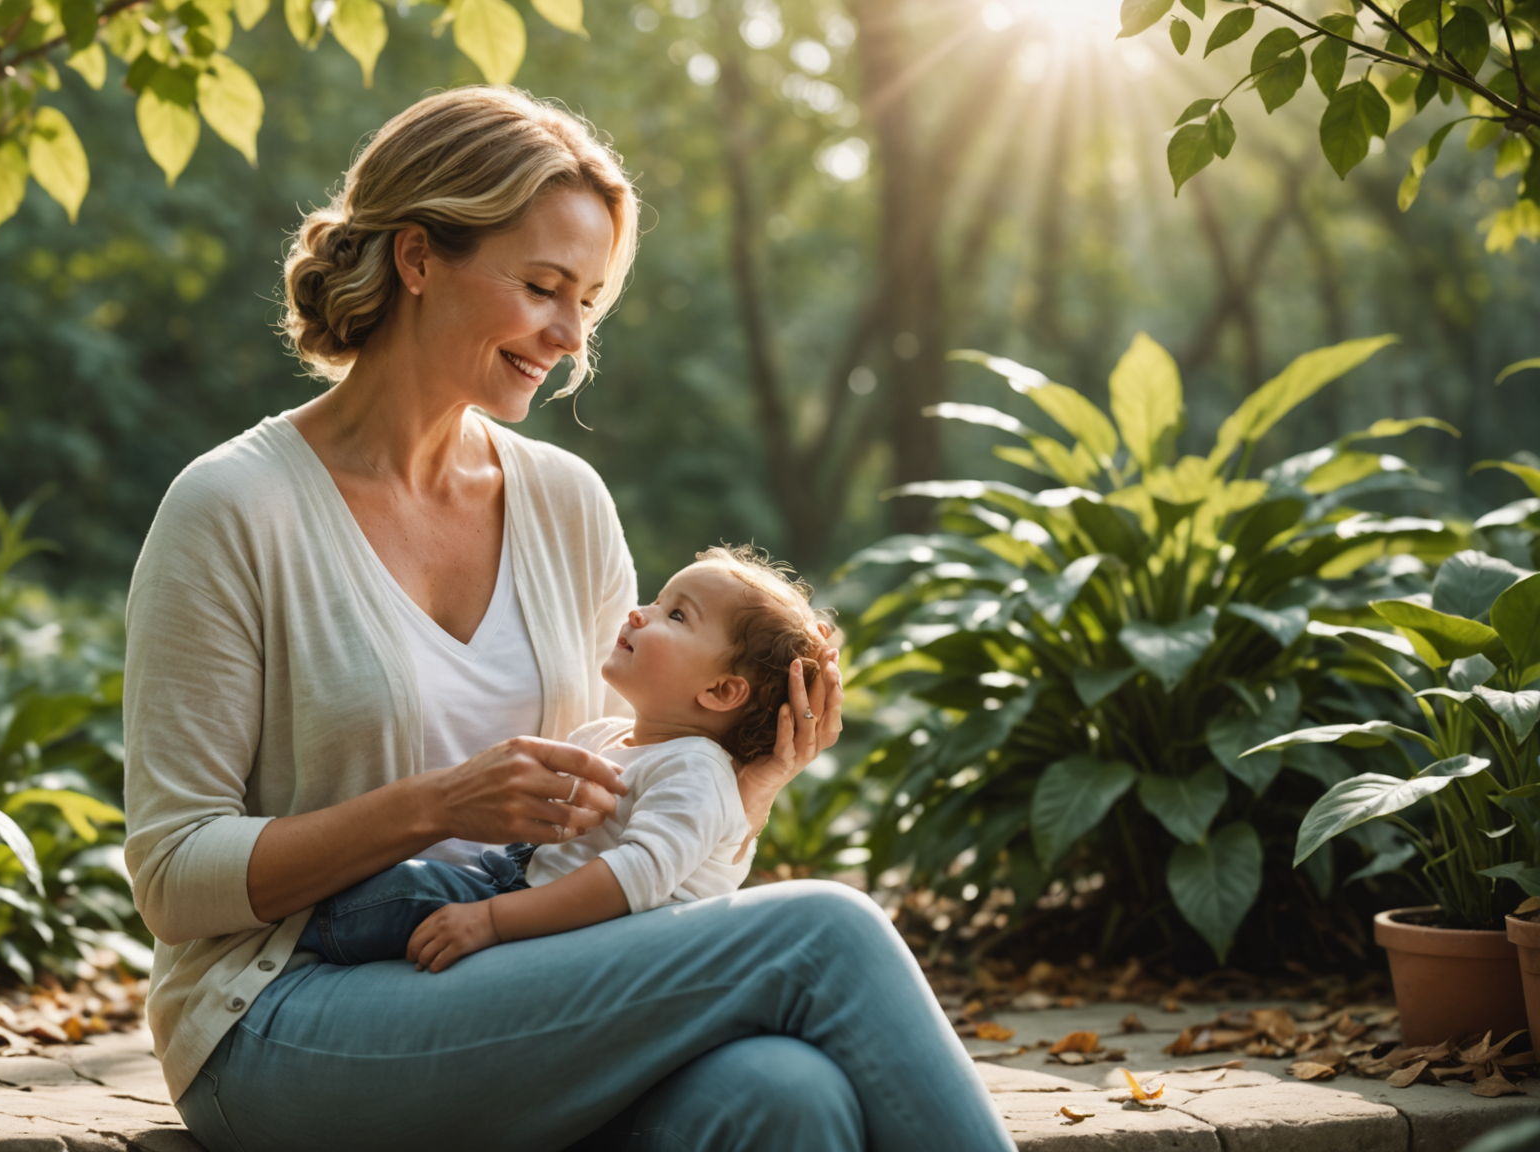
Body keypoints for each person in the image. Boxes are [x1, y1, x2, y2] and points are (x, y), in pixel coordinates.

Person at [123, 85, 1015, 1151]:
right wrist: (437, 804)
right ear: (418, 257)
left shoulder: (565, 503)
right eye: (544, 287)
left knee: (785, 1093)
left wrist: (750, 783)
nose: (571, 336)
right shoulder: (233, 507)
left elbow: (635, 829)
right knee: (827, 931)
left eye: (588, 301)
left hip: (529, 977)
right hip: (288, 1011)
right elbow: (174, 879)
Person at [298, 546, 828, 972]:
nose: (638, 613)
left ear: (720, 691)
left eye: (676, 615)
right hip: (524, 888)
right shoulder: (608, 735)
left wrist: (493, 920)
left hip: (587, 941)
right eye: (657, 599)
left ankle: (301, 937)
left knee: (413, 893)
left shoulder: (697, 771)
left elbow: (633, 878)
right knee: (415, 882)